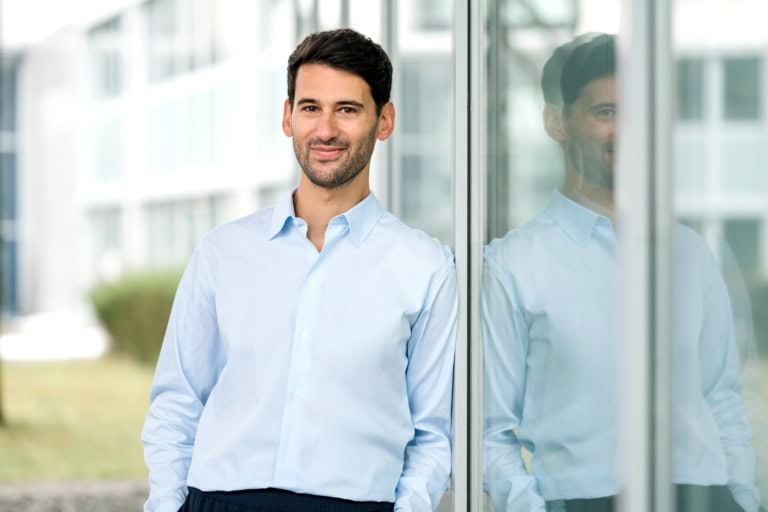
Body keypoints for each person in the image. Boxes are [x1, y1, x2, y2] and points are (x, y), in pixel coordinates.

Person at [142, 28, 458, 512]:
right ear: (288, 117)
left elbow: (434, 432)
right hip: (220, 500)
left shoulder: (424, 267)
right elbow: (177, 403)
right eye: (311, 107)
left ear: (385, 120)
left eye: (347, 110)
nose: (326, 129)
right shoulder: (223, 253)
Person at [482, 33, 760, 512]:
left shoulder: (690, 254)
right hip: (586, 502)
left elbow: (722, 398)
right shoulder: (512, 266)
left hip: (704, 498)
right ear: (557, 122)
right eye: (607, 112)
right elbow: (489, 429)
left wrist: (743, 495)